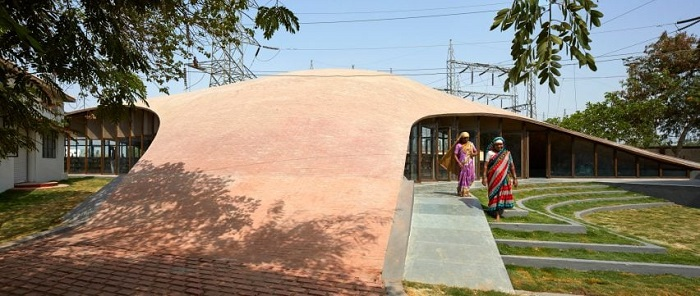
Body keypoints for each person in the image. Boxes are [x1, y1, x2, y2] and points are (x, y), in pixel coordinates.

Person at [481, 136, 518, 221]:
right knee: (494, 195)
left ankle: (498, 213)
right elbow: (485, 166)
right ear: (494, 145)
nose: (499, 146)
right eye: (497, 145)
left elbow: (512, 166)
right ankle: (495, 212)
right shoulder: (489, 153)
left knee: (501, 195)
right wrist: (484, 177)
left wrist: (515, 178)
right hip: (493, 178)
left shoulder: (507, 153)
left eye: (500, 144)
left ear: (503, 145)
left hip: (505, 177)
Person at [440, 132, 477, 197]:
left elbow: (476, 152)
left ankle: (466, 190)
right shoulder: (458, 145)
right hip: (462, 164)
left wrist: (472, 154)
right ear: (461, 138)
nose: (466, 139)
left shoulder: (471, 144)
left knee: (470, 177)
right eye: (464, 138)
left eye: (467, 138)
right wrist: (459, 163)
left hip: (470, 164)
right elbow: (455, 155)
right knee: (462, 177)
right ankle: (462, 192)